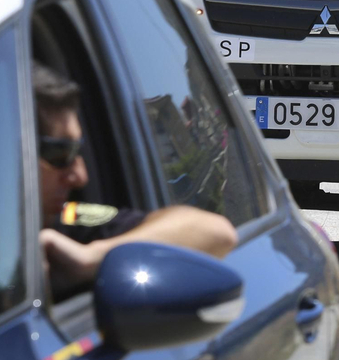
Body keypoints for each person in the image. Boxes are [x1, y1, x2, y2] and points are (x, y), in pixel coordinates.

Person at [35, 63, 237, 289]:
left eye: (77, 151)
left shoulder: (68, 218)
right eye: (60, 153)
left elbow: (217, 232)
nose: (80, 177)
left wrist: (91, 257)